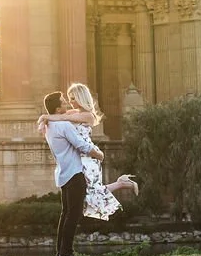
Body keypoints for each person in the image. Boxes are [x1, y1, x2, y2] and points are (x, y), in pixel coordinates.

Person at [39, 83, 139, 220]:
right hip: (79, 157)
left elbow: (60, 117)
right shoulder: (73, 113)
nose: (70, 102)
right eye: (69, 98)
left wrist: (45, 118)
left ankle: (122, 183)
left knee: (91, 193)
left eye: (73, 98)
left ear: (81, 98)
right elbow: (55, 115)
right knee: (90, 194)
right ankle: (122, 183)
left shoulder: (88, 116)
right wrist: (43, 120)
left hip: (88, 157)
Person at [42, 90, 102, 256]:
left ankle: (60, 253)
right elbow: (81, 145)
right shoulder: (64, 126)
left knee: (66, 214)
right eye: (63, 102)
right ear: (58, 108)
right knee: (73, 215)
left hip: (63, 173)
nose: (67, 103)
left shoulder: (50, 126)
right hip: (75, 173)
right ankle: (67, 254)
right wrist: (99, 154)